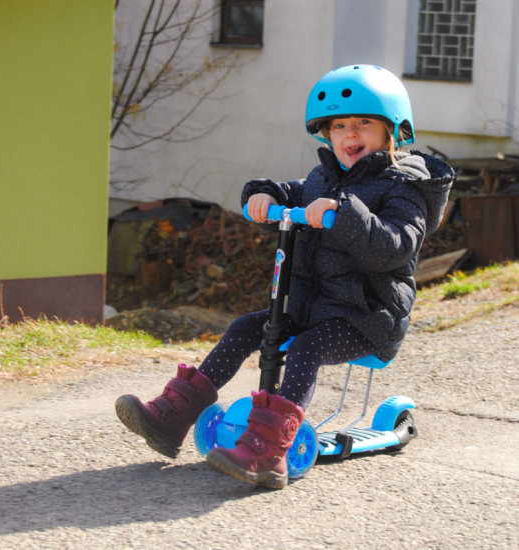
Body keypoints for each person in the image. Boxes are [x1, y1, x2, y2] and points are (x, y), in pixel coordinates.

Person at [115, 64, 455, 489]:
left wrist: (345, 214)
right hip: (308, 308)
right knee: (245, 327)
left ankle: (270, 450)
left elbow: (395, 246)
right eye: (339, 126)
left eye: (364, 123)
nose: (350, 135)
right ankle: (172, 417)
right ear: (326, 134)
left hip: (366, 317)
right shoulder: (324, 177)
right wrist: (264, 195)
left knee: (307, 347)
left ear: (392, 130)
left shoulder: (405, 187)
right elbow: (292, 191)